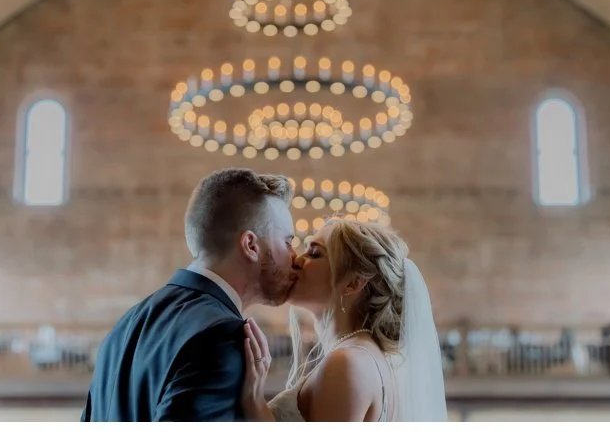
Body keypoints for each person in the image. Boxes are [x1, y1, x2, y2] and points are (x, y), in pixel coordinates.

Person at [83, 168, 301, 421]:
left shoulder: (129, 322)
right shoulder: (222, 337)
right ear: (251, 245)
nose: (295, 257)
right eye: (287, 241)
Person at [239, 218, 448, 422]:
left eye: (314, 253)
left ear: (353, 283)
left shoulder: (347, 362)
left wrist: (253, 399)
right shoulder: (361, 356)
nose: (296, 260)